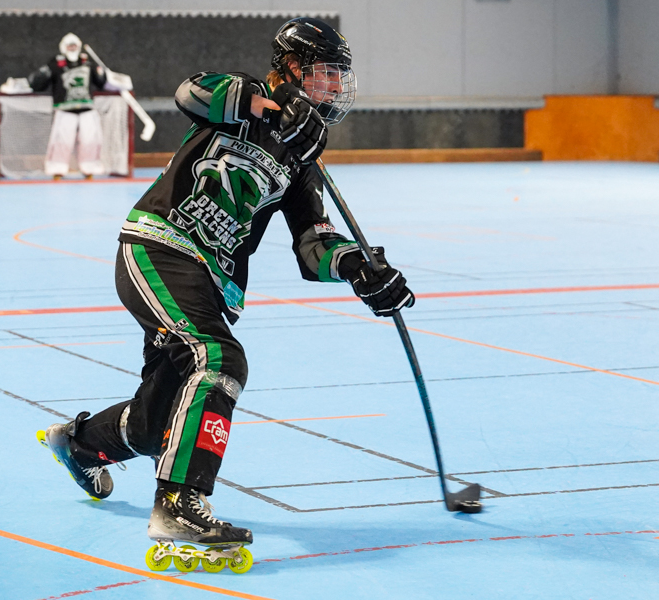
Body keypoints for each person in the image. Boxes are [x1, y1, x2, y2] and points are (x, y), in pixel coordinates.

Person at [37, 17, 414, 572]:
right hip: (161, 246)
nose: (334, 87)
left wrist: (360, 268)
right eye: (324, 74)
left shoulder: (301, 161)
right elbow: (192, 91)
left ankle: (78, 443)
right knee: (217, 357)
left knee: (155, 421)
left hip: (210, 282)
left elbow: (313, 246)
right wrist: (270, 108)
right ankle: (178, 502)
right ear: (289, 68)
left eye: (340, 78)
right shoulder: (244, 96)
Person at [28, 33, 107, 179]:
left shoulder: (88, 62)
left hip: (87, 109)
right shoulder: (55, 64)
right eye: (69, 46)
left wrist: (103, 73)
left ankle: (89, 168)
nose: (72, 48)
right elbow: (37, 84)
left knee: (90, 140)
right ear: (63, 47)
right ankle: (57, 169)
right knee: (61, 141)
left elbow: (101, 82)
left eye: (74, 45)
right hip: (64, 110)